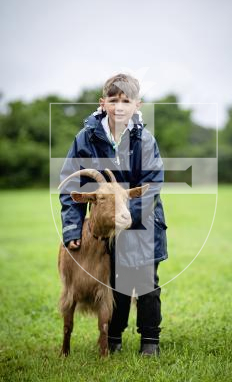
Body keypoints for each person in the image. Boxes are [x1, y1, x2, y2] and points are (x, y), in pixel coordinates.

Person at [59, 73, 168, 355]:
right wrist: (72, 229)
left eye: (126, 101)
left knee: (145, 280)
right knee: (116, 281)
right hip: (104, 225)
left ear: (137, 105)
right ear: (103, 103)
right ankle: (114, 339)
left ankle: (150, 342)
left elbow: (151, 185)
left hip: (140, 220)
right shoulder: (87, 139)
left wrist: (127, 215)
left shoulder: (144, 140)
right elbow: (72, 183)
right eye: (113, 100)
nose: (119, 106)